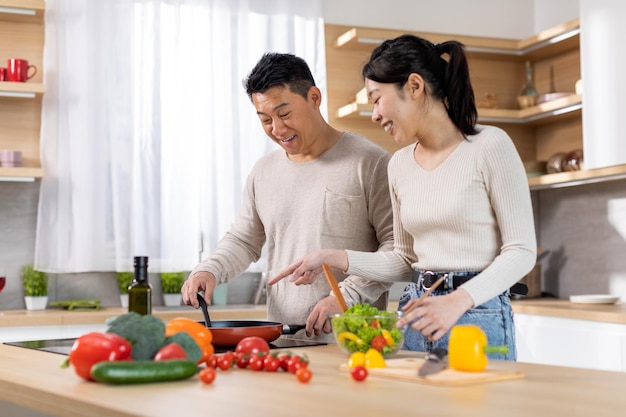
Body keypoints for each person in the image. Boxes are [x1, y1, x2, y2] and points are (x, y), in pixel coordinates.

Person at [269, 35, 537, 359]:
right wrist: (332, 256)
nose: (374, 114)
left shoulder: (490, 146)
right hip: (415, 312)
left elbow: (521, 251)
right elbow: (403, 259)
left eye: (377, 98)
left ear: (414, 86)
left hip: (477, 314)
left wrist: (459, 299)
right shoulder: (399, 165)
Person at [181, 52, 394, 341]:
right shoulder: (264, 171)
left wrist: (346, 297)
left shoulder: (370, 162)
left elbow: (395, 249)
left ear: (314, 98)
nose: (277, 129)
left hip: (352, 341)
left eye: (284, 114)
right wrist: (210, 270)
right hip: (281, 341)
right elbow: (244, 240)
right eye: (265, 119)